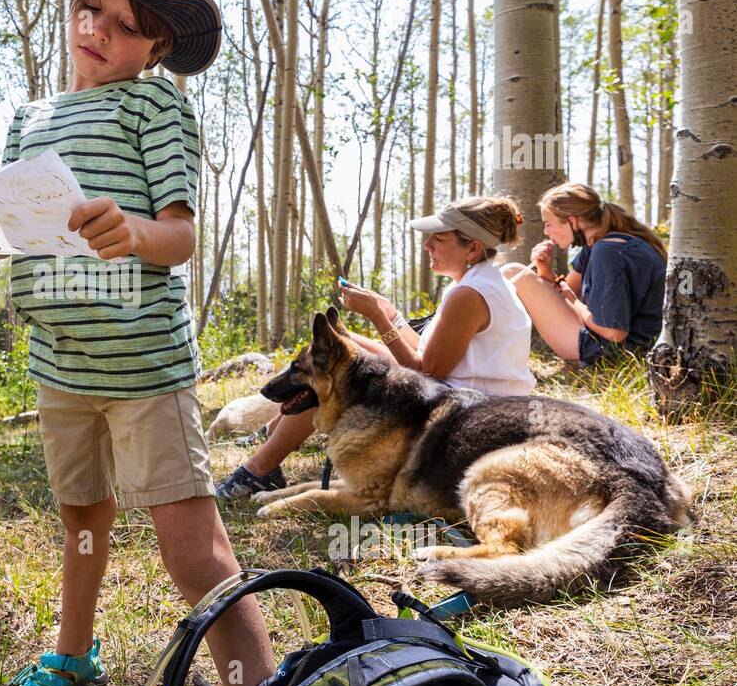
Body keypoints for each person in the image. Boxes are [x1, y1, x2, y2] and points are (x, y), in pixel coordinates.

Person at [0, 0, 275, 686]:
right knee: (83, 522)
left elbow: (180, 236)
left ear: (157, 44)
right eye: (87, 7)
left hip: (143, 369)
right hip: (61, 364)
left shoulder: (156, 105)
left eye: (123, 23)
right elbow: (8, 233)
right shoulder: (31, 117)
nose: (95, 28)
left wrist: (132, 233)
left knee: (194, 554)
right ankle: (73, 655)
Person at [217, 195, 537, 500]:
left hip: (467, 417)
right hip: (472, 402)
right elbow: (428, 351)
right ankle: (273, 435)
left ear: (473, 249)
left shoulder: (469, 294)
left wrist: (376, 316)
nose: (427, 246)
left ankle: (258, 470)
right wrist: (389, 312)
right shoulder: (479, 281)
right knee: (344, 345)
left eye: (438, 240)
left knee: (336, 369)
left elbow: (426, 369)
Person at [502, 182, 667, 365]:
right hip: (610, 345)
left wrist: (572, 298)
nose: (546, 232)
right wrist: (545, 271)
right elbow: (565, 292)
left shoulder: (607, 251)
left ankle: (493, 356)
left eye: (548, 224)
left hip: (614, 354)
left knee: (512, 272)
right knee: (513, 272)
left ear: (572, 221)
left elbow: (614, 332)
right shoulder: (598, 244)